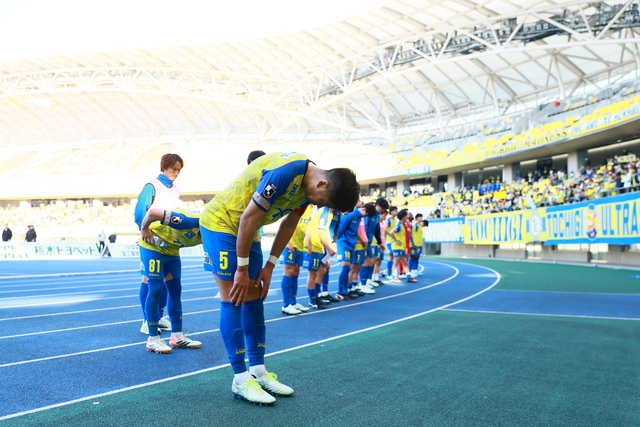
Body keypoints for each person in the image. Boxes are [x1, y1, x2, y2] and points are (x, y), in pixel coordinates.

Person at [199, 151, 359, 405]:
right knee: (234, 296)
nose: (319, 206)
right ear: (322, 183)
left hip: (248, 228)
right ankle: (240, 379)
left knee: (255, 297)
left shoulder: (307, 189)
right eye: (323, 201)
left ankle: (258, 371)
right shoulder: (285, 173)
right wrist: (242, 269)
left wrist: (271, 265)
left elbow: (289, 224)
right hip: (222, 223)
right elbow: (248, 217)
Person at [139, 208, 203, 354]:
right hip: (152, 247)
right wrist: (144, 229)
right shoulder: (189, 221)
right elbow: (153, 213)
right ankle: (152, 339)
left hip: (172, 251)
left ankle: (177, 336)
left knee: (175, 290)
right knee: (156, 289)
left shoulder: (213, 233)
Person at [135, 153, 184, 334]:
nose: (176, 173)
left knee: (165, 280)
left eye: (179, 170)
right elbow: (140, 211)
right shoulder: (152, 186)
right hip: (151, 240)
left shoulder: (176, 189)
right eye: (173, 169)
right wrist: (144, 230)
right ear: (164, 167)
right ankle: (147, 320)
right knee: (149, 279)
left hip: (168, 241)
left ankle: (159, 318)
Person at [336, 202, 377, 300]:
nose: (365, 217)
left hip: (351, 244)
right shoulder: (350, 214)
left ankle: (345, 290)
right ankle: (340, 291)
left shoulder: (358, 218)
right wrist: (335, 241)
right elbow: (340, 229)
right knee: (346, 267)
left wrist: (363, 240)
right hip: (343, 243)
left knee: (348, 268)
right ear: (363, 209)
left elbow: (355, 231)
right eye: (365, 214)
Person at [279, 207, 312, 315]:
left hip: (299, 245)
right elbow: (283, 222)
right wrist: (287, 241)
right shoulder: (295, 203)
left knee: (296, 272)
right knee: (289, 271)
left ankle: (293, 303)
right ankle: (286, 305)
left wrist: (309, 242)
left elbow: (307, 226)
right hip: (289, 244)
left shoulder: (310, 207)